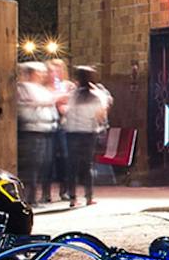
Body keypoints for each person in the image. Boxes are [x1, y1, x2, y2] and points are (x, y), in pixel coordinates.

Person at [59, 65, 111, 207]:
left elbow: (65, 111)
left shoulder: (72, 95)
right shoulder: (95, 96)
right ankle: (89, 197)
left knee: (72, 166)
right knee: (87, 165)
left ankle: (72, 198)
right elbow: (100, 116)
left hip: (71, 132)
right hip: (88, 133)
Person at [14, 61, 61, 207]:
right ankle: (28, 198)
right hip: (31, 131)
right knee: (31, 166)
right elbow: (41, 101)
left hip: (45, 131)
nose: (42, 75)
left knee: (41, 165)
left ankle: (34, 197)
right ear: (31, 73)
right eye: (39, 72)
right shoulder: (23, 87)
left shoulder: (41, 88)